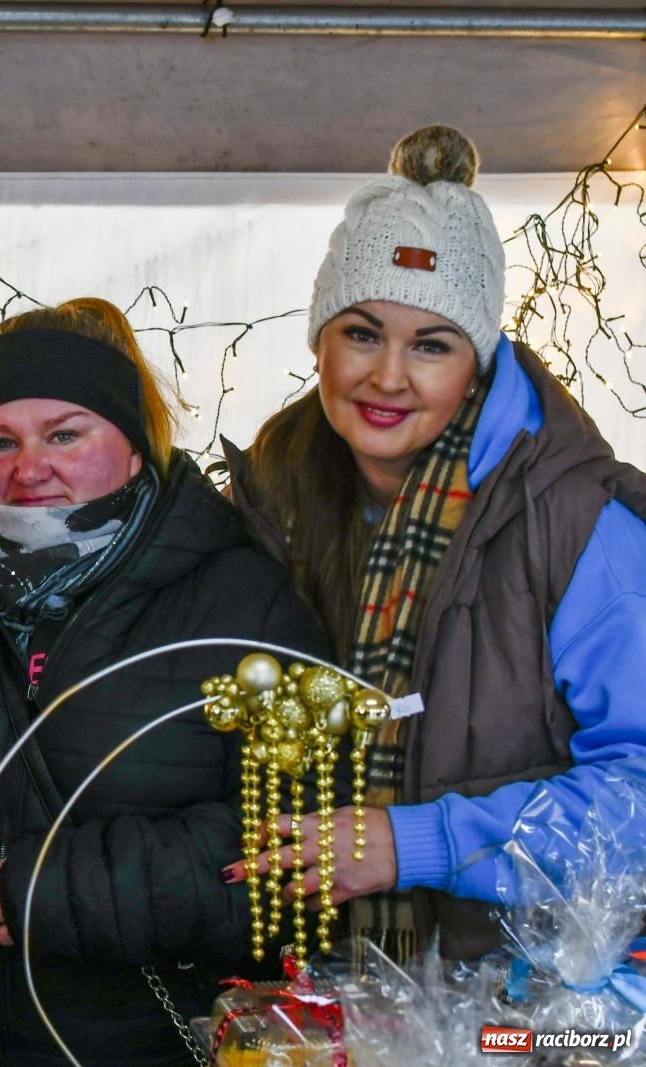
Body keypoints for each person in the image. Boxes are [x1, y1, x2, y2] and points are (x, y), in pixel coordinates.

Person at [223, 125, 646, 963]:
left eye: (431, 345)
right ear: (320, 340)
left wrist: (421, 841)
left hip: (533, 1007)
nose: (387, 376)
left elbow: (638, 797)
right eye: (361, 332)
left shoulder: (578, 522)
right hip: (311, 988)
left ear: (477, 366)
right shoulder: (274, 502)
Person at [0, 299, 329, 1065]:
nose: (28, 470)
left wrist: (83, 888)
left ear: (132, 446)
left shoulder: (242, 599)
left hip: (150, 1041)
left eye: (64, 434)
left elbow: (305, 848)